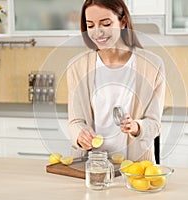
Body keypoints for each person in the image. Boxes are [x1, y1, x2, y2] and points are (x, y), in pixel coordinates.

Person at [67, 0, 165, 163]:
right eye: (90, 26)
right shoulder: (77, 67)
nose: (97, 32)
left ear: (123, 22)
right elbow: (75, 122)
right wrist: (80, 134)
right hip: (92, 166)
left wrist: (137, 127)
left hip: (135, 168)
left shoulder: (152, 65)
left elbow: (154, 124)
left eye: (105, 24)